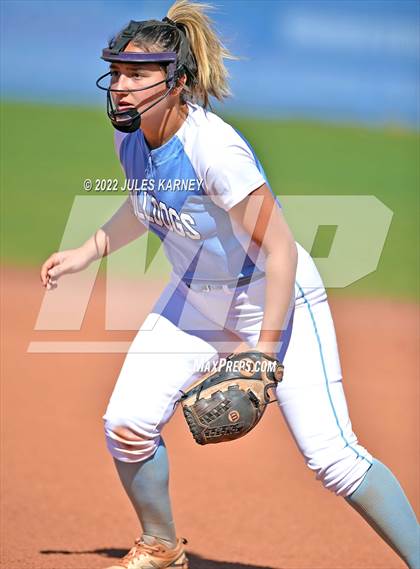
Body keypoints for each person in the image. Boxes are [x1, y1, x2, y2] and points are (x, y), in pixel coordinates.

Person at [40, 1, 419, 568]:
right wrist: (86, 251)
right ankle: (161, 545)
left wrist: (264, 350)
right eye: (116, 72)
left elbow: (280, 248)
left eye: (138, 74)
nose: (120, 86)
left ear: (177, 82)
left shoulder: (215, 151)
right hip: (194, 298)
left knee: (333, 459)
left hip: (273, 297)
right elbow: (145, 205)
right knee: (127, 422)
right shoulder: (131, 138)